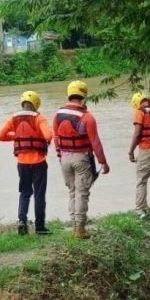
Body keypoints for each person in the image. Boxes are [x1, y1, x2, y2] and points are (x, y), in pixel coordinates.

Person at [53, 80, 110, 239]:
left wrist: (59, 156)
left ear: (69, 94)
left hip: (64, 158)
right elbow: (95, 142)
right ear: (83, 95)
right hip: (81, 158)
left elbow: (56, 138)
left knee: (72, 192)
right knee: (82, 193)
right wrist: (103, 162)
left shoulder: (58, 114)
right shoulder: (87, 117)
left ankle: (74, 226)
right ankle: (80, 229)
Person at [0, 91, 53, 235]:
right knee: (39, 194)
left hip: (22, 163)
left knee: (25, 192)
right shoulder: (40, 118)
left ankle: (22, 221)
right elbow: (48, 135)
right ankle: (40, 227)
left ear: (22, 103)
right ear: (36, 104)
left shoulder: (12, 119)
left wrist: (17, 136)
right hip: (39, 162)